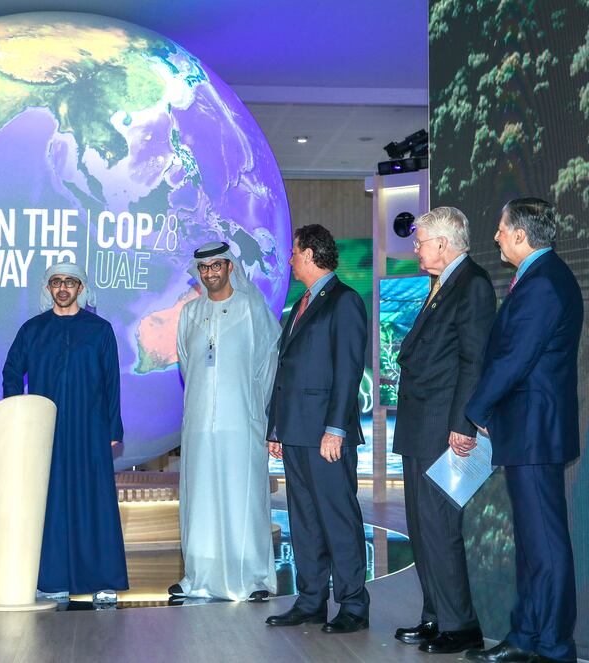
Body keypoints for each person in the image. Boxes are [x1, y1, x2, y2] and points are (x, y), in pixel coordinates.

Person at [464, 198, 582, 663]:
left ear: (520, 234)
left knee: (546, 546)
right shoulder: (541, 277)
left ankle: (552, 647)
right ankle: (528, 638)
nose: (495, 237)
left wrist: (473, 412)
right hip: (529, 431)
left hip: (535, 432)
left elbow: (514, 359)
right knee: (534, 545)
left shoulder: (545, 283)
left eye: (500, 229)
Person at [392, 207, 495, 654]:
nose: (415, 249)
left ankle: (460, 625)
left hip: (442, 425)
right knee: (420, 527)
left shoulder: (471, 284)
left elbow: (474, 358)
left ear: (442, 243)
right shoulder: (443, 284)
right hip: (421, 424)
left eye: (420, 241)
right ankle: (435, 616)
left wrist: (463, 423)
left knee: (439, 526)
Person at [2, 262, 128, 605]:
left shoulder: (100, 330)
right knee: (51, 502)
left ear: (80, 288)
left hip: (91, 429)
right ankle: (53, 580)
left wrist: (113, 427)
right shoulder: (33, 330)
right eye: (56, 282)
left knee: (95, 502)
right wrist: (19, 415)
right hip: (46, 431)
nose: (62, 287)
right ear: (48, 288)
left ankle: (103, 582)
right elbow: (12, 371)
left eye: (69, 282)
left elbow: (111, 382)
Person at [265, 224, 370, 633]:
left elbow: (348, 371)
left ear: (309, 254)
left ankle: (354, 605)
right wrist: (277, 427)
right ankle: (310, 600)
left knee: (337, 517)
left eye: (294, 252)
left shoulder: (343, 301)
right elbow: (287, 371)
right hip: (294, 431)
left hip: (326, 435)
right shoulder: (301, 304)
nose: (290, 260)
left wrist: (336, 429)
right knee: (304, 518)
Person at [169, 241, 280, 602]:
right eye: (204, 268)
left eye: (217, 266)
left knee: (242, 497)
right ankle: (198, 575)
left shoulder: (252, 308)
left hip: (241, 421)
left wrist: (253, 410)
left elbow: (267, 364)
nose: (210, 273)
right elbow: (188, 365)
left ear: (230, 267)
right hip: (200, 424)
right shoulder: (189, 313)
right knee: (200, 497)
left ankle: (252, 578)